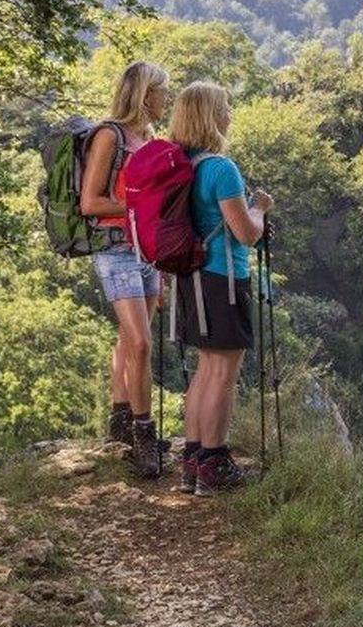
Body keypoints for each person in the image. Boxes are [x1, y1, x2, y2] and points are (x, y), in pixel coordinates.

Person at [168, 81, 273, 497]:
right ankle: (215, 463)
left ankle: (193, 462)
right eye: (225, 107)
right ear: (212, 115)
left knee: (205, 369)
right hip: (223, 278)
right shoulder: (220, 168)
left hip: (188, 278)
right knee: (223, 373)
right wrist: (260, 208)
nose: (230, 112)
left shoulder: (182, 166)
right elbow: (246, 234)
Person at [79, 60, 171, 477]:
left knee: (130, 339)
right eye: (162, 91)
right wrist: (140, 206)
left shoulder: (148, 138)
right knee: (140, 344)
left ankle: (119, 418)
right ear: (144, 93)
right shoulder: (109, 136)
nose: (166, 99)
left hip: (147, 251)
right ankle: (144, 434)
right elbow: (90, 203)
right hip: (115, 250)